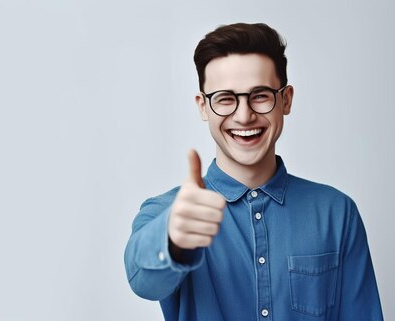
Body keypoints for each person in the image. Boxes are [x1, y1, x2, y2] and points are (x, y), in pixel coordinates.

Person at [124, 23, 383, 321]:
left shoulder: (337, 213)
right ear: (203, 106)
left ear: (285, 100)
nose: (244, 115)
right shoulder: (167, 212)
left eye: (260, 95)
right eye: (225, 98)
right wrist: (172, 238)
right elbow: (142, 279)